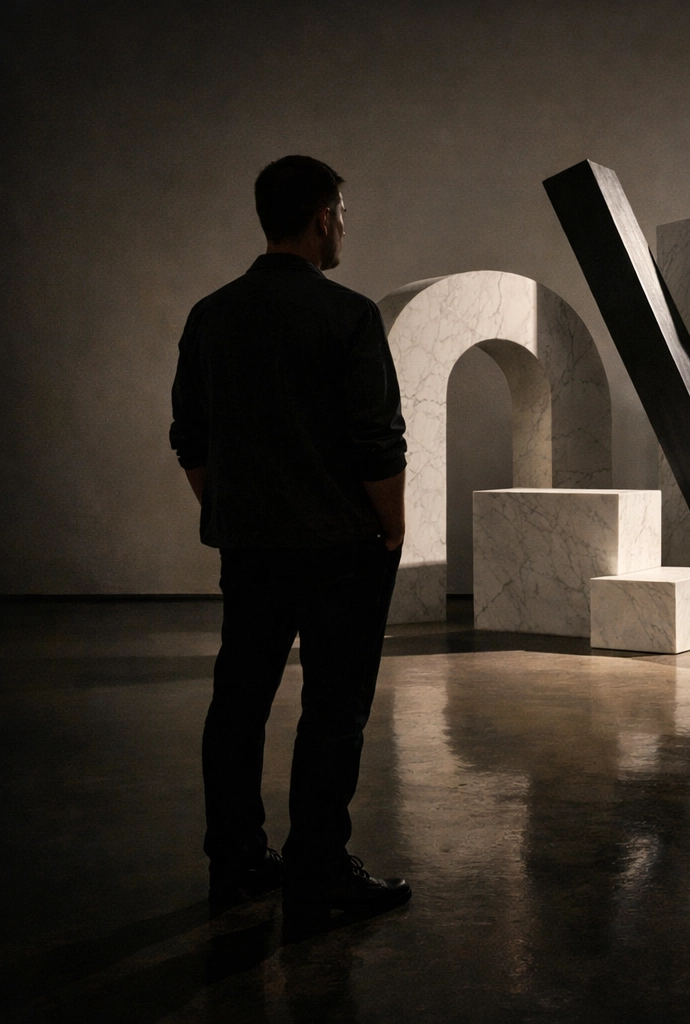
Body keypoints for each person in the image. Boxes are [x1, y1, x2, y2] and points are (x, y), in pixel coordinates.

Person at [170, 155, 412, 917]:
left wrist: (236, 508)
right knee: (334, 710)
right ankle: (318, 869)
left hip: (250, 547)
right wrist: (393, 531)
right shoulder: (349, 315)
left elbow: (190, 436)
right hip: (341, 547)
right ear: (322, 218)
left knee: (238, 702)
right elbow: (378, 442)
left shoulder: (212, 314)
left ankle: (237, 861)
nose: (343, 227)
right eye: (342, 213)